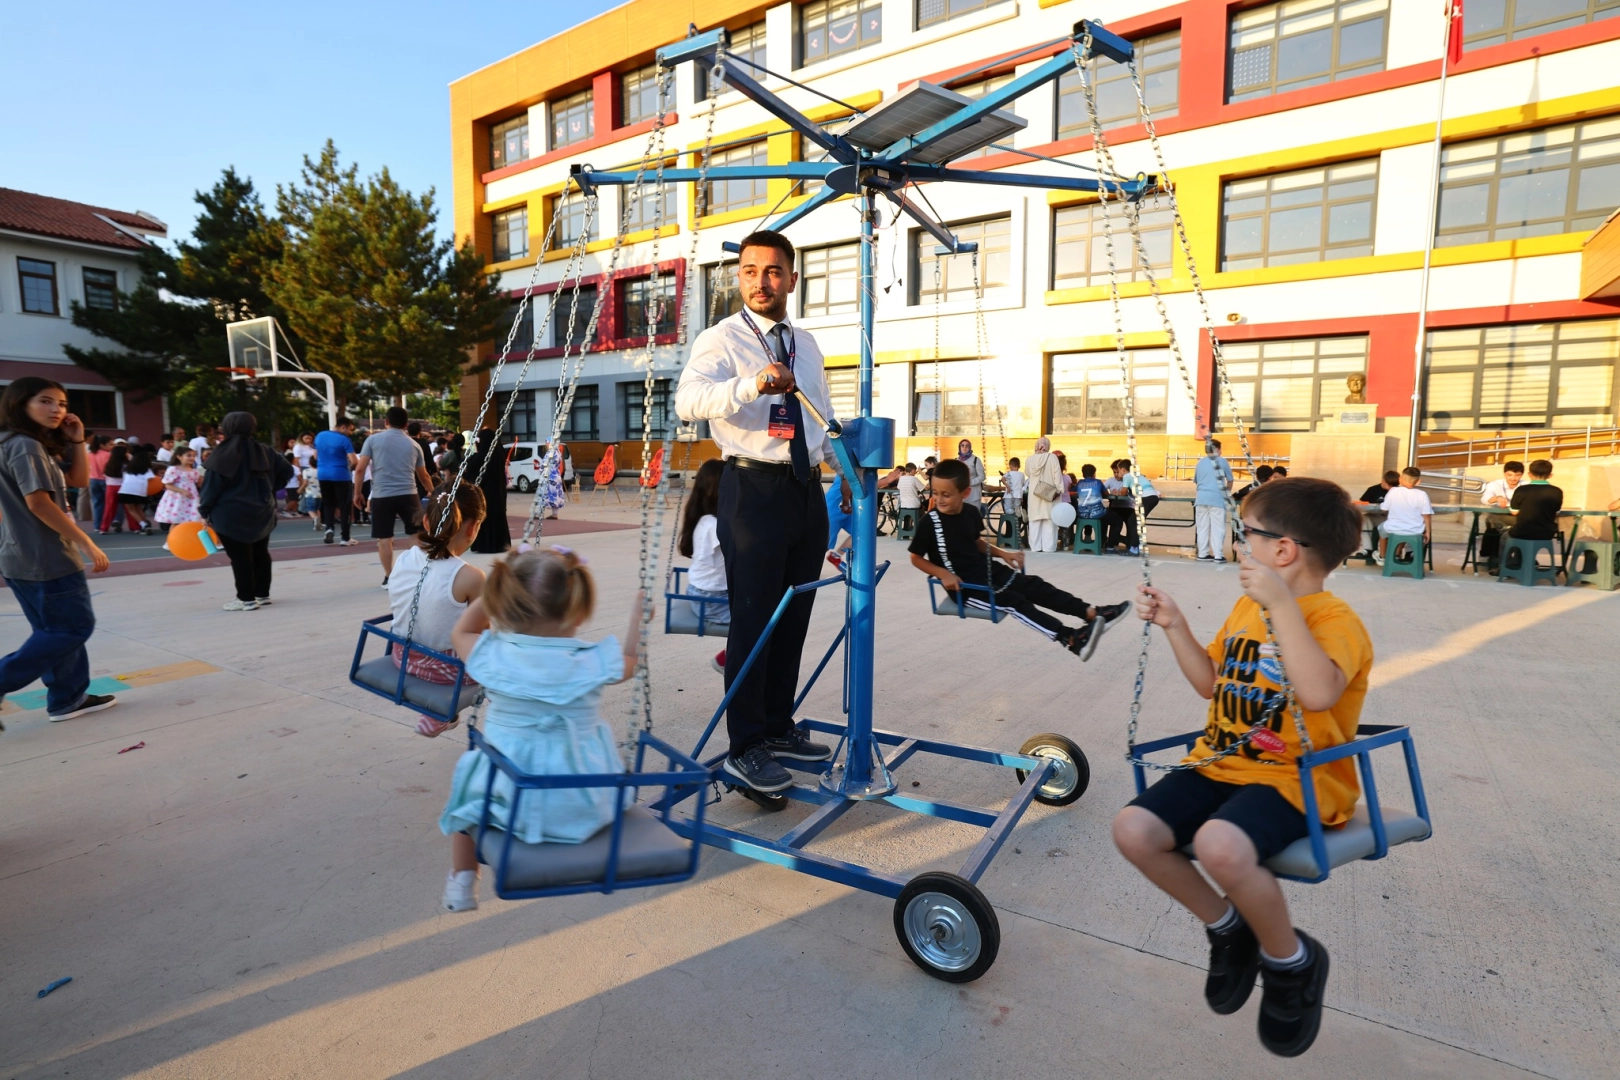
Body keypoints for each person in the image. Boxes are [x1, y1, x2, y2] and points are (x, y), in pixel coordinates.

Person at [1117, 477, 1368, 1058]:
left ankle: (1290, 963)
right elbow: (1211, 684)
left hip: (1295, 779)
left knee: (1221, 846)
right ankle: (1229, 929)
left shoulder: (1335, 621)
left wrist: (1283, 607)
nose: (1237, 547)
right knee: (1133, 830)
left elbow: (1319, 694)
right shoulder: (1246, 609)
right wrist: (1176, 625)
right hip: (1220, 762)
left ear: (1283, 551)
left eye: (1245, 535)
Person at [674, 229, 843, 793]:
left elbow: (820, 412)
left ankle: (777, 725)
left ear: (792, 278)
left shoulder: (808, 343)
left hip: (804, 488)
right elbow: (688, 401)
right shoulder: (721, 340)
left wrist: (840, 466)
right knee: (755, 620)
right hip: (751, 490)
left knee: (794, 617)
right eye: (750, 271)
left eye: (772, 271)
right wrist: (750, 385)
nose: (760, 282)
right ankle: (744, 746)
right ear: (738, 276)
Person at [436, 547, 641, 912]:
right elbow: (630, 661)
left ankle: (462, 880)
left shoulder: (493, 655)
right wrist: (640, 617)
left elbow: (461, 630)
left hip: (509, 800)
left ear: (503, 603)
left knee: (468, 788)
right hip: (586, 803)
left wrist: (493, 593)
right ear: (578, 607)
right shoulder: (592, 660)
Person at [910, 459, 1128, 658]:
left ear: (965, 493)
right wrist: (942, 573)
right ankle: (1071, 638)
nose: (939, 499)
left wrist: (1004, 554)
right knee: (1014, 602)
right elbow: (916, 557)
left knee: (1036, 586)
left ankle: (1092, 613)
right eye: (935, 493)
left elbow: (976, 543)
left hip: (988, 570)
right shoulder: (930, 522)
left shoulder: (970, 513)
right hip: (965, 587)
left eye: (946, 495)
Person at [0, 377, 115, 726]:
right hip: (46, 554)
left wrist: (78, 439)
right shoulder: (24, 446)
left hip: (19, 555)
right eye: (46, 401)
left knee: (52, 630)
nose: (57, 410)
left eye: (62, 404)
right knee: (73, 628)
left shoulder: (21, 442)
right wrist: (86, 541)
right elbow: (39, 504)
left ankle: (67, 697)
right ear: (21, 403)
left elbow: (79, 481)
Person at [388, 481, 488, 737]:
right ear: (474, 528)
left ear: (426, 522)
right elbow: (483, 635)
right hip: (445, 670)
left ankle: (439, 713)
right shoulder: (470, 576)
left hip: (403, 656)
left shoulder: (404, 558)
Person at [198, 411, 294, 611]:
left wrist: (205, 511)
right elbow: (288, 471)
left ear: (227, 427)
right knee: (261, 553)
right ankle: (262, 594)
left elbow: (212, 486)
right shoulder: (265, 451)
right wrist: (270, 487)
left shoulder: (221, 453)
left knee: (240, 557)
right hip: (262, 510)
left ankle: (245, 598)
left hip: (230, 513)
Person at [353, 406, 432, 586]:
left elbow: (360, 469)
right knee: (415, 534)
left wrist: (357, 493)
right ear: (406, 424)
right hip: (409, 494)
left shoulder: (372, 440)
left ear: (386, 422)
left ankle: (389, 577)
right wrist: (432, 491)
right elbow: (424, 475)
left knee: (385, 538)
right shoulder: (414, 445)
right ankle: (415, 573)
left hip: (382, 495)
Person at [677, 458, 730, 672]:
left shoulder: (703, 519)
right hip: (711, 599)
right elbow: (744, 552)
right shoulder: (714, 525)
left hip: (703, 592)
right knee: (764, 621)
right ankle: (726, 660)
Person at [314, 417, 359, 545]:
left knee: (329, 504)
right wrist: (350, 468)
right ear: (343, 427)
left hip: (323, 474)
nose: (350, 433)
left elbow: (315, 456)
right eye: (350, 430)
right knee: (345, 506)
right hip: (340, 475)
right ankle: (345, 537)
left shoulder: (320, 436)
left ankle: (329, 528)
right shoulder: (344, 440)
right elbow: (354, 460)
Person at [466, 429, 512, 555]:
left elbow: (469, 468)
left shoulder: (481, 456)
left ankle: (485, 544)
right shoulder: (499, 453)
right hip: (498, 492)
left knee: (485, 517)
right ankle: (500, 543)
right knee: (497, 517)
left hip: (485, 492)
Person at [1375, 467, 1432, 567]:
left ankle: (1382, 557)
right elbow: (1426, 515)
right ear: (1418, 481)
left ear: (1400, 479)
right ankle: (1396, 555)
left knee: (1382, 529)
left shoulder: (1393, 491)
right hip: (1415, 530)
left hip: (1393, 528)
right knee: (1405, 533)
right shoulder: (1422, 494)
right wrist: (1428, 532)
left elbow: (1384, 509)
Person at [1478, 460, 1525, 573]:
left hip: (1518, 518)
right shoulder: (1495, 485)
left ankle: (1515, 560)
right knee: (1493, 527)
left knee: (1518, 530)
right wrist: (1497, 498)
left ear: (1521, 475)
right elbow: (1485, 499)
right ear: (1504, 474)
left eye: (1517, 475)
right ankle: (1487, 557)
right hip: (1498, 516)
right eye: (1510, 475)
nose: (1513, 478)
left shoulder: (1526, 485)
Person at [1508, 459, 1562, 551]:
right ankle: (1529, 560)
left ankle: (1510, 562)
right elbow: (1556, 512)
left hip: (1522, 531)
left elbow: (1514, 512)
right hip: (1546, 533)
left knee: (1505, 536)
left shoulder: (1521, 490)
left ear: (1529, 474)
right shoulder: (1557, 491)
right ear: (1550, 475)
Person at [154, 446, 203, 548]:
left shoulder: (194, 471)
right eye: (188, 455)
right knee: (177, 521)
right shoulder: (173, 469)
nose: (191, 458)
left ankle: (188, 541)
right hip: (177, 499)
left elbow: (198, 483)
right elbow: (167, 484)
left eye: (193, 456)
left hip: (191, 499)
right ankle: (170, 542)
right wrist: (182, 491)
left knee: (193, 520)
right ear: (179, 457)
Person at [1194, 439, 1234, 562]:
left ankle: (1203, 553)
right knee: (1218, 527)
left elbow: (1196, 481)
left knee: (1202, 527)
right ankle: (1218, 555)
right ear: (1216, 449)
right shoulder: (1222, 461)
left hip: (1201, 498)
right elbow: (1230, 480)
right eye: (1220, 449)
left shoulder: (1200, 462)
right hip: (1217, 498)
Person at [1025, 437, 1065, 553]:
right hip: (1049, 493)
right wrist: (1059, 490)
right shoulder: (1052, 458)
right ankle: (1048, 548)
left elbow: (1028, 473)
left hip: (1035, 493)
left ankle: (1035, 547)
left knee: (1035, 521)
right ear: (1047, 446)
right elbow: (1057, 475)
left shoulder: (1030, 459)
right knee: (1049, 520)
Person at [1356, 470, 1400, 557]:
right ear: (1383, 480)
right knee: (1364, 518)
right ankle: (1368, 549)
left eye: (1393, 486)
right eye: (1389, 485)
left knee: (1413, 521)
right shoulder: (1372, 490)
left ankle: (1407, 553)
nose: (1390, 488)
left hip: (1394, 518)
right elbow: (1362, 504)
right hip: (1378, 517)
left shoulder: (1399, 491)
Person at [1103, 460, 1141, 554]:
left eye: (1118, 472)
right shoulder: (1111, 480)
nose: (1116, 474)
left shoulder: (1127, 479)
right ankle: (1108, 543)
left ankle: (1131, 544)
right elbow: (1102, 489)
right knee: (1109, 520)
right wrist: (1109, 493)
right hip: (1115, 507)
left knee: (1131, 523)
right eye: (1114, 472)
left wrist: (1120, 492)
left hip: (1128, 508)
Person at [116, 446, 156, 535]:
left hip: (126, 491)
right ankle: (146, 524)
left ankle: (143, 525)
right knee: (139, 509)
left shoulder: (127, 469)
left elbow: (124, 480)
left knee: (131, 510)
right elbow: (151, 480)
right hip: (140, 492)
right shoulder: (147, 470)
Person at [99, 442, 129, 534]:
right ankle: (135, 527)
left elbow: (104, 475)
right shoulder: (126, 464)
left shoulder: (109, 464)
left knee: (109, 508)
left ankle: (104, 528)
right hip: (124, 487)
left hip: (110, 487)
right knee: (129, 508)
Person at [86, 435, 110, 529]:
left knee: (97, 503)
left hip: (93, 479)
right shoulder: (107, 455)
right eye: (110, 444)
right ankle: (113, 522)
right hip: (105, 480)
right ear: (102, 445)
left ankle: (97, 525)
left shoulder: (90, 454)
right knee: (110, 503)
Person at [957, 439, 986, 508]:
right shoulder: (957, 460)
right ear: (959, 447)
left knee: (973, 516)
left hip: (973, 495)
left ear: (970, 448)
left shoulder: (975, 460)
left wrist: (969, 482)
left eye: (967, 446)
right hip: (960, 495)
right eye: (962, 445)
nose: (964, 447)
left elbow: (982, 476)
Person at [897, 461, 925, 532]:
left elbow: (899, 487)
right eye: (915, 471)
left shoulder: (901, 478)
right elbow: (922, 488)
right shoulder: (914, 479)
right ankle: (919, 530)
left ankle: (906, 530)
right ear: (913, 470)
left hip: (903, 504)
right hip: (914, 504)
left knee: (907, 513)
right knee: (922, 509)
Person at [298, 455, 322, 529]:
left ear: (309, 463)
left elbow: (305, 482)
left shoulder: (306, 471)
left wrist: (300, 489)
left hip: (310, 494)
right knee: (317, 509)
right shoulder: (321, 470)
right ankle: (319, 521)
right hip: (320, 494)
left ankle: (315, 519)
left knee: (310, 509)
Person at [1002, 457, 1026, 524]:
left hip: (1009, 495)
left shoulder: (1009, 473)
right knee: (1017, 507)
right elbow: (1023, 484)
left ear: (1011, 466)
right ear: (1019, 466)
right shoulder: (1022, 474)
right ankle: (1019, 510)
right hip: (1018, 495)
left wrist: (1007, 486)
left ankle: (1015, 511)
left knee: (1008, 510)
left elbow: (1002, 479)